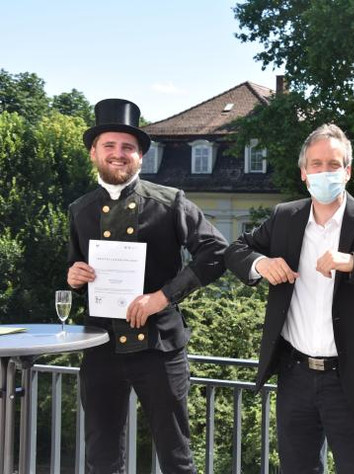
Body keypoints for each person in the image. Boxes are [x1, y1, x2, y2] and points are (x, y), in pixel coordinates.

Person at [225, 124, 354, 473]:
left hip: (351, 378)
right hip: (295, 374)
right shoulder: (286, 217)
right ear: (304, 173)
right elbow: (236, 250)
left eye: (333, 164)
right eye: (316, 164)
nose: (324, 172)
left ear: (347, 171)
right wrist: (261, 263)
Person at [66, 98, 228, 473]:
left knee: (175, 457)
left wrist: (163, 296)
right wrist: (75, 277)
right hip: (100, 346)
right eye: (109, 145)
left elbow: (216, 253)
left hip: (159, 347)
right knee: (101, 457)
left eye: (128, 148)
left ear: (140, 156)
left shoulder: (171, 203)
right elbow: (76, 269)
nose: (118, 154)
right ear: (94, 152)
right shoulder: (79, 209)